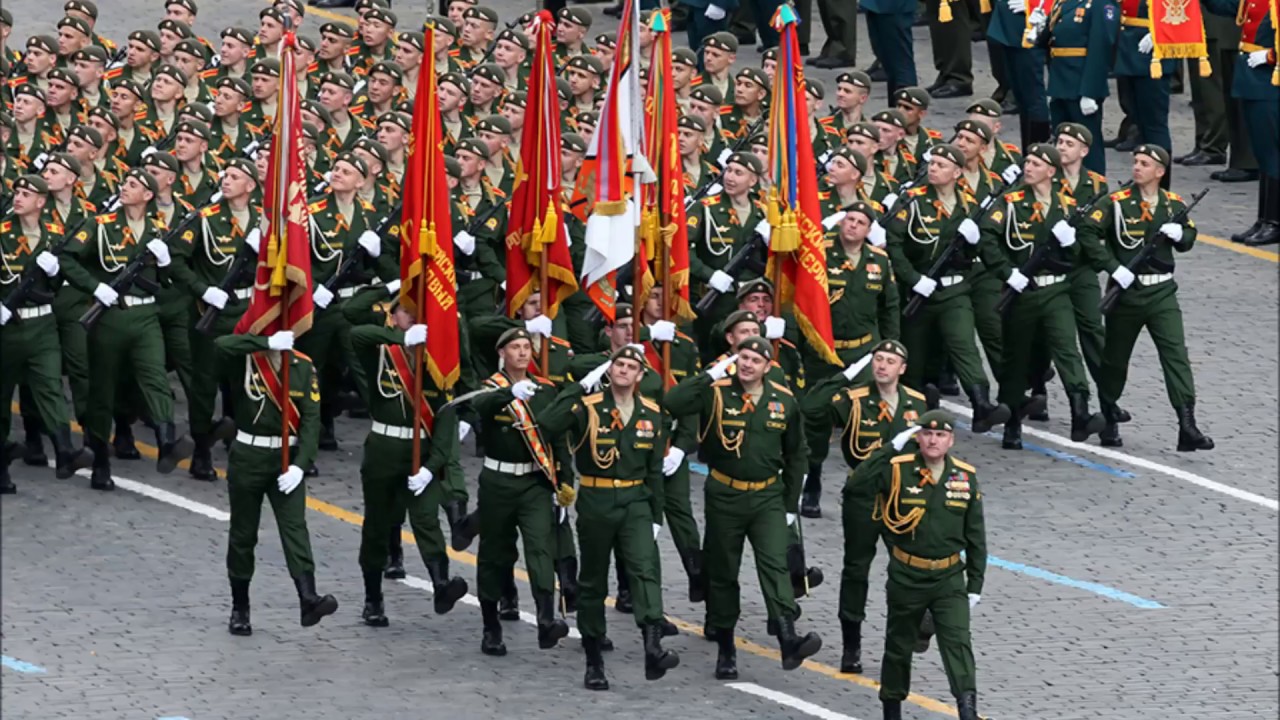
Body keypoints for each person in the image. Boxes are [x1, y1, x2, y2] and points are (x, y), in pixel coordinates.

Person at [664, 336, 823, 678]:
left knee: (775, 564)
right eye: (743, 357)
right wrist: (709, 375)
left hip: (767, 495)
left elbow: (796, 453)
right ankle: (726, 647)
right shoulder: (716, 392)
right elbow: (674, 402)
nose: (748, 364)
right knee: (723, 572)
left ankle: (787, 637)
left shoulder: (783, 401)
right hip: (725, 493)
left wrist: (790, 502)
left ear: (768, 366)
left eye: (755, 359)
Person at [539, 346, 681, 690]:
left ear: (640, 376)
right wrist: (577, 387)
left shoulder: (651, 412)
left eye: (631, 366)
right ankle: (594, 660)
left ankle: (652, 647)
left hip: (636, 501)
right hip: (597, 498)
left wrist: (656, 515)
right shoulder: (587, 406)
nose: (623, 370)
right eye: (619, 364)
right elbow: (547, 423)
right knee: (593, 581)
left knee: (645, 571)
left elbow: (654, 472)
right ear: (609, 369)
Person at [58, 169, 194, 489]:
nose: (124, 188)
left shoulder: (159, 230)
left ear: (148, 195)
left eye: (132, 185)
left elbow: (170, 280)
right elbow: (68, 259)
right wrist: (95, 287)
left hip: (145, 316)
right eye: (124, 183)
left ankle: (166, 441)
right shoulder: (101, 225)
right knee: (103, 390)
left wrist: (164, 265)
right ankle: (100, 462)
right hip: (109, 318)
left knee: (155, 378)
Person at [345, 293, 470, 627]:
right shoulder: (382, 354)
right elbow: (356, 333)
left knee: (426, 519)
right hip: (384, 450)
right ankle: (373, 598)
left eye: (419, 314)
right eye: (405, 312)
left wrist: (431, 469)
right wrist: (401, 338)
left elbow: (444, 422)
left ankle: (441, 584)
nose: (412, 318)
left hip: (422, 454)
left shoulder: (438, 363)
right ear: (393, 316)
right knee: (376, 525)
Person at [1078, 145, 1214, 450]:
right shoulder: (1115, 202)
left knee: (1175, 354)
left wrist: (1181, 235)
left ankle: (1187, 424)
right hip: (1126, 293)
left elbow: (1188, 238)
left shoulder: (1172, 204)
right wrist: (1112, 267)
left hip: (1162, 291)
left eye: (1145, 163)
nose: (1137, 167)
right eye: (1136, 162)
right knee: (1114, 360)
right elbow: (1087, 232)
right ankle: (1109, 417)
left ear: (1160, 172)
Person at [802, 339, 926, 674]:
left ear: (902, 368)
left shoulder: (917, 403)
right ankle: (851, 645)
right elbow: (811, 407)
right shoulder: (853, 399)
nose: (882, 366)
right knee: (856, 569)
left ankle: (915, 626)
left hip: (904, 495)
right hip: (864, 494)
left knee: (911, 567)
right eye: (878, 360)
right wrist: (846, 375)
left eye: (890, 361)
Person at [852, 410, 986, 720]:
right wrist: (889, 449)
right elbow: (858, 484)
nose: (933, 440)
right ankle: (892, 707)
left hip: (949, 577)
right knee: (898, 646)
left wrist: (975, 586)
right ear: (918, 437)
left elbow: (976, 536)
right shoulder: (898, 470)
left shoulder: (965, 477)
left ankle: (968, 709)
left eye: (940, 435)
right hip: (907, 575)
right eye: (927, 433)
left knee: (958, 641)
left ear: (951, 440)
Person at [213, 329, 339, 636]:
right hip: (249, 456)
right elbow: (219, 344)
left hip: (287, 458)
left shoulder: (303, 366)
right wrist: (265, 344)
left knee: (295, 529)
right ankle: (240, 607)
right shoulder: (246, 361)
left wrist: (301, 465)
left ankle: (308, 598)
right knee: (244, 534)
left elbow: (311, 420)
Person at [978, 143, 1104, 449]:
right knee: (1015, 356)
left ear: (1051, 170)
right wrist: (1008, 273)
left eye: (1036, 163)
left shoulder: (1066, 204)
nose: (1028, 168)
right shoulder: (1009, 202)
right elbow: (987, 239)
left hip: (1056, 288)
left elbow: (1077, 253)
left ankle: (1080, 413)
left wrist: (1071, 241)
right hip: (1021, 291)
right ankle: (1012, 423)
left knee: (1066, 348)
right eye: (1027, 162)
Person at [882, 144, 1012, 433]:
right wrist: (913, 278)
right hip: (917, 292)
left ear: (957, 172)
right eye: (932, 163)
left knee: (964, 345)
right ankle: (912, 409)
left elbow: (979, 252)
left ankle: (982, 404)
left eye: (941, 165)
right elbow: (894, 245)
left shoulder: (968, 205)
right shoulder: (912, 201)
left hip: (954, 291)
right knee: (913, 357)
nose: (933, 168)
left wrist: (975, 241)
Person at [470, 328, 571, 657]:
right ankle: (490, 626)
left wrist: (564, 482)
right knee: (494, 554)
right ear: (502, 353)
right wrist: (510, 393)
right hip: (498, 482)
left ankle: (546, 620)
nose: (523, 353)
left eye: (527, 347)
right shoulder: (490, 389)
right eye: (515, 347)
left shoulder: (545, 390)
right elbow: (479, 408)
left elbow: (557, 439)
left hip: (533, 484)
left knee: (541, 548)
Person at [800, 201, 899, 518]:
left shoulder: (879, 261)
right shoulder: (821, 254)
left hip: (862, 353)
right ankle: (811, 482)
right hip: (824, 352)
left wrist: (890, 347)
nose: (853, 225)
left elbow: (889, 307)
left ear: (869, 230)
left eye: (860, 222)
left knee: (869, 419)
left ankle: (863, 484)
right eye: (849, 219)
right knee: (815, 419)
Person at [0, 175, 96, 494]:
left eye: (26, 194)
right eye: (17, 192)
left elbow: (53, 289)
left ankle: (65, 450)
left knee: (50, 388)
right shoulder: (2, 234)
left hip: (42, 325)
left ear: (41, 202)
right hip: (7, 327)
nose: (18, 198)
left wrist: (55, 273)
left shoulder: (54, 235)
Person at [1202, 0, 1278, 246]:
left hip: (1269, 83)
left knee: (1272, 156)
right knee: (1263, 154)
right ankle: (1264, 218)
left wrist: (1270, 55)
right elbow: (1226, 7)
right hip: (1251, 81)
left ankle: (1274, 222)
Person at [1044, 0, 1119, 175]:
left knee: (1087, 144)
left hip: (1081, 83)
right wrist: (1039, 27)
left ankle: (1095, 190)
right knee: (1062, 143)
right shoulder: (1065, 2)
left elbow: (1100, 48)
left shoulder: (1102, 4)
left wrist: (1090, 91)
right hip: (1060, 81)